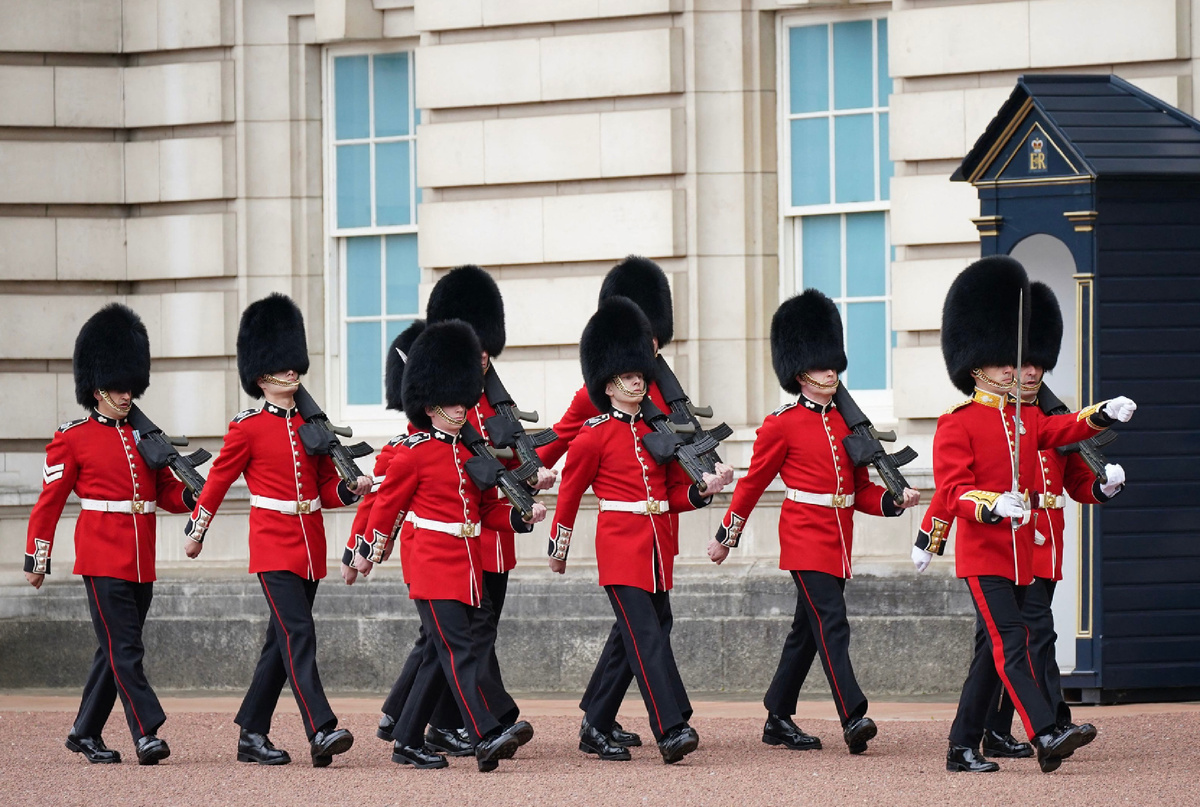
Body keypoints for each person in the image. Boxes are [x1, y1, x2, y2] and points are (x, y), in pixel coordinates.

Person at [932, 257, 1136, 774]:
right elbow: (952, 492)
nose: (1017, 369)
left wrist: (1100, 414)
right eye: (1004, 360)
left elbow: (1059, 433)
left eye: (1020, 360)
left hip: (1028, 553)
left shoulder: (1029, 419)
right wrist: (990, 504)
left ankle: (963, 745)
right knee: (1011, 643)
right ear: (977, 364)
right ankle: (1047, 730)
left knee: (997, 649)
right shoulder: (957, 423)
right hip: (985, 552)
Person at [708, 289, 919, 755]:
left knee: (806, 632)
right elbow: (752, 484)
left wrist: (893, 502)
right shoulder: (781, 424)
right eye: (823, 367)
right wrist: (727, 536)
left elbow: (858, 491)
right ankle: (853, 714)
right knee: (832, 623)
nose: (832, 373)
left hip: (838, 538)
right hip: (804, 536)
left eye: (834, 366)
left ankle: (777, 715)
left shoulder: (847, 426)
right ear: (801, 372)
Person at [540, 255, 732, 754]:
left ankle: (596, 721)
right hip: (621, 541)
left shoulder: (663, 398)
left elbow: (673, 469)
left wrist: (704, 486)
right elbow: (567, 462)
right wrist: (525, 482)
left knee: (647, 628)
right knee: (644, 632)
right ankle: (671, 725)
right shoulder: (597, 410)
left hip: (657, 539)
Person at [184, 293, 371, 767]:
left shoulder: (311, 427)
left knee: (280, 642)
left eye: (295, 365)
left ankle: (251, 733)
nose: (293, 372)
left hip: (309, 544)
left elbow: (325, 491)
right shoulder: (246, 428)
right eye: (283, 366)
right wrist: (197, 529)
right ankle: (321, 728)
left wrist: (355, 490)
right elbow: (219, 481)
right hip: (271, 543)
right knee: (300, 634)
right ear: (262, 373)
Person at [358, 320, 547, 773]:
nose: (460, 409)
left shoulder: (467, 454)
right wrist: (370, 550)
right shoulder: (413, 452)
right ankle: (485, 733)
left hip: (465, 567)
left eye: (463, 400)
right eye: (450, 403)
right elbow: (386, 506)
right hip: (431, 567)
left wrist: (522, 517)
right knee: (459, 650)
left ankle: (406, 739)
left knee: (440, 660)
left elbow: (484, 514)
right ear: (429, 404)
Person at [24, 303, 194, 765]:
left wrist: (195, 497)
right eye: (119, 388)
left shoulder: (144, 438)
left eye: (131, 387)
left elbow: (162, 494)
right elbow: (49, 502)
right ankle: (146, 732)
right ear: (96, 389)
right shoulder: (72, 439)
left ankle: (84, 732)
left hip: (141, 557)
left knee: (113, 651)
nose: (127, 395)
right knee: (127, 648)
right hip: (101, 557)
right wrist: (37, 559)